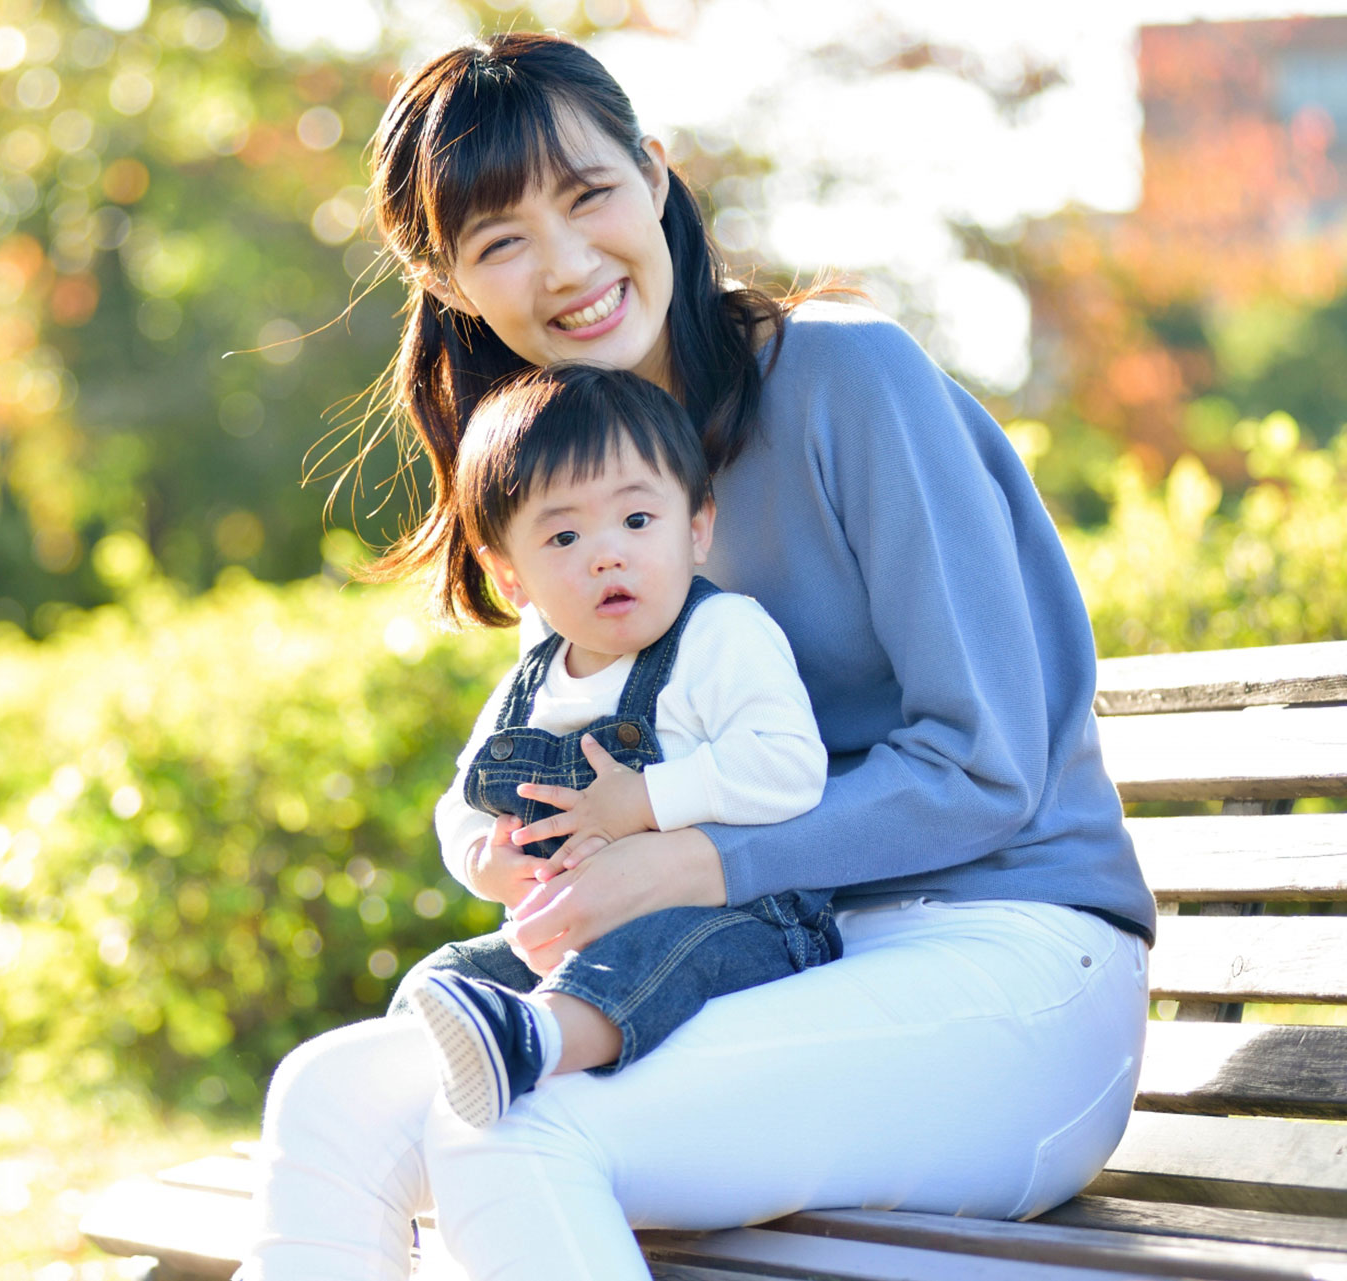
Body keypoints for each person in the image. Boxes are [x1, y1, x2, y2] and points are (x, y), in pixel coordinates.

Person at [239, 30, 1155, 1281]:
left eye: (589, 194)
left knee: (522, 1131)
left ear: (656, 178)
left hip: (1009, 957)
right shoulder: (562, 483)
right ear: (452, 286)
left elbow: (988, 766)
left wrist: (689, 861)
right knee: (328, 1095)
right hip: (758, 969)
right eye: (501, 241)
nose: (566, 266)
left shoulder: (848, 379)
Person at [400, 362, 834, 1130]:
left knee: (657, 951)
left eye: (638, 521)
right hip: (571, 934)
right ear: (511, 577)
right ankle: (399, 1117)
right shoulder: (530, 684)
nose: (608, 554)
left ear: (696, 528)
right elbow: (459, 801)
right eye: (564, 535)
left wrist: (644, 799)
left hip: (739, 920)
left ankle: (530, 1040)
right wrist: (485, 857)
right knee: (445, 976)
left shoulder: (721, 634)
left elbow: (791, 765)